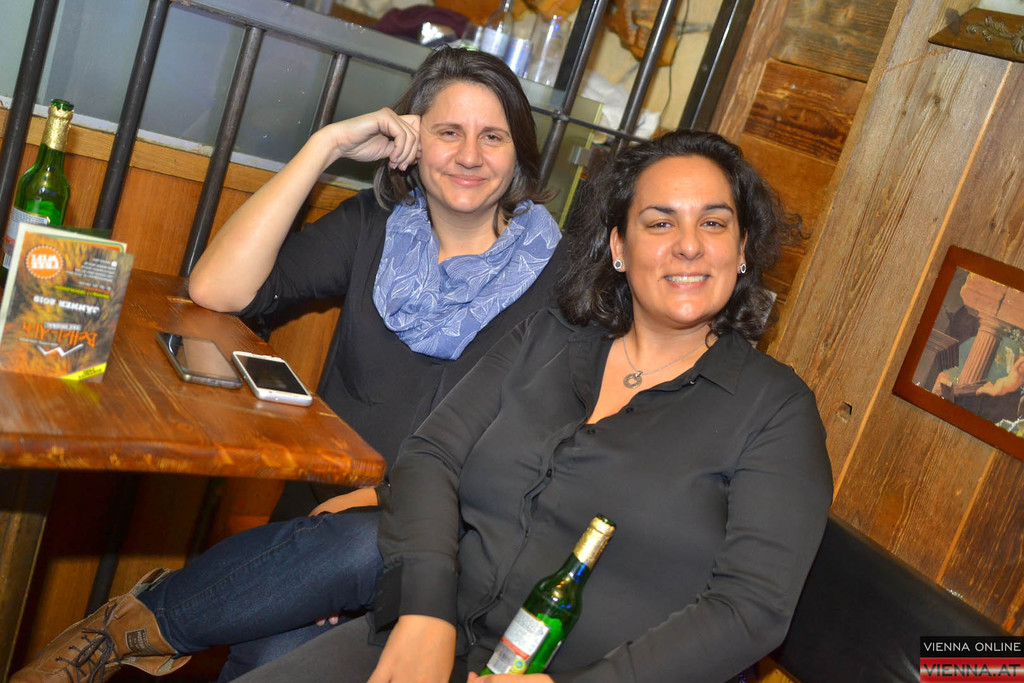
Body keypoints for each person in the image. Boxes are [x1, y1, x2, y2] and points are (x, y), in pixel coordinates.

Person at [13, 46, 563, 683]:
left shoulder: (556, 277)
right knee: (270, 656)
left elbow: (534, 451)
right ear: (411, 143)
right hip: (319, 528)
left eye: (492, 136)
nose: (470, 156)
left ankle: (124, 629)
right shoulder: (378, 227)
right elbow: (218, 289)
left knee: (359, 545)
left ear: (518, 153)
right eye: (448, 132)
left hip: (442, 549)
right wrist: (326, 146)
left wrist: (373, 503)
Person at [233, 129, 835, 683]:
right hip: (435, 636)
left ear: (742, 248)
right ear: (618, 247)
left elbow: (751, 609)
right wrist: (423, 609)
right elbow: (431, 455)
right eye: (659, 223)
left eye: (713, 223)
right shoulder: (546, 339)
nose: (688, 246)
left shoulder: (775, 409)